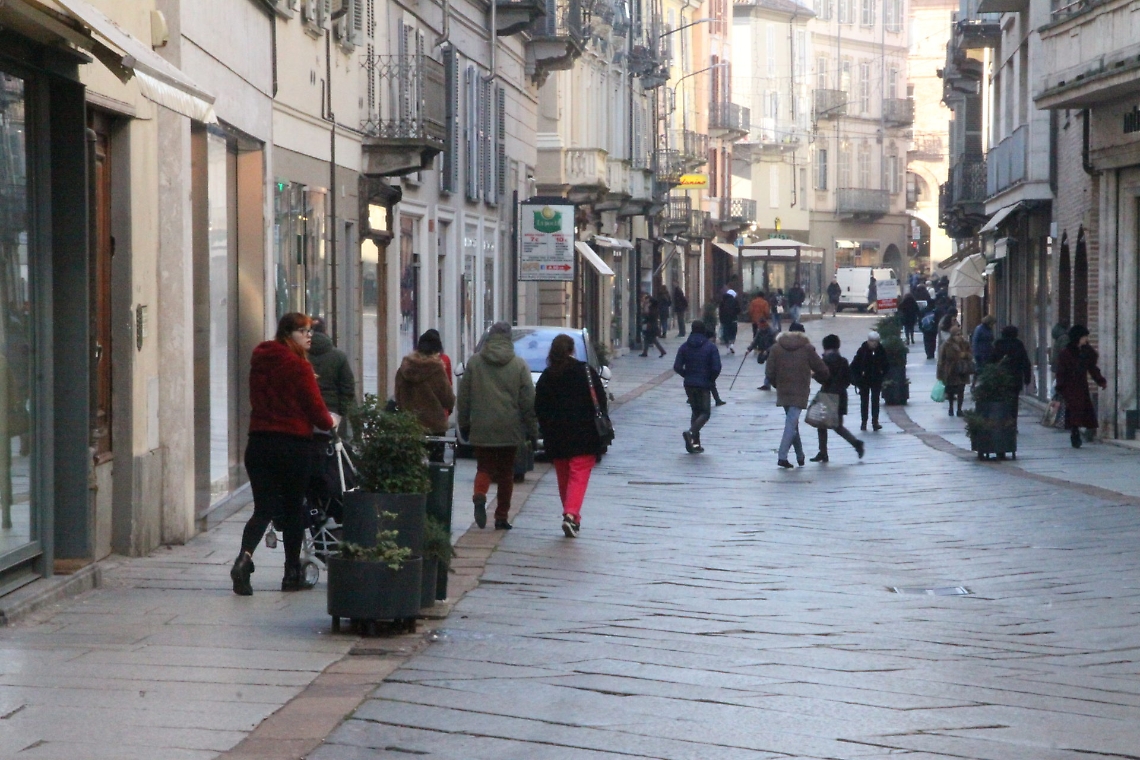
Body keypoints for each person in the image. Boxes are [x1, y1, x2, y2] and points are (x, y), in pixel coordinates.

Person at [230, 313, 335, 596]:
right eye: (303, 331)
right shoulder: (299, 366)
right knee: (292, 510)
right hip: (292, 446)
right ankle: (291, 573)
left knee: (263, 509)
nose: (309, 335)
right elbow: (316, 408)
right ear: (288, 334)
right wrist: (330, 422)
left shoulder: (260, 361)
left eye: (310, 330)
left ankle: (243, 560)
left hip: (259, 443)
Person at [457, 322, 539, 530]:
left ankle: (479, 494)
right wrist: (532, 430)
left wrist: (464, 424)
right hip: (510, 428)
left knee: (484, 467)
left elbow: (464, 398)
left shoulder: (474, 363)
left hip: (482, 426)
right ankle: (501, 517)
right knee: (506, 473)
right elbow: (528, 402)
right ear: (509, 339)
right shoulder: (519, 365)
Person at [534, 335, 608, 537]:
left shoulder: (547, 376)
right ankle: (570, 513)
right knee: (578, 475)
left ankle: (573, 518)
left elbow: (539, 408)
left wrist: (547, 429)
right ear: (572, 350)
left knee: (564, 478)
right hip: (584, 434)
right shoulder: (585, 371)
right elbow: (600, 400)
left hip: (557, 437)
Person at [765, 323, 828, 469]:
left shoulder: (776, 348)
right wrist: (819, 377)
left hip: (783, 390)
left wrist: (777, 384)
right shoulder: (807, 349)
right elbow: (822, 369)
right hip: (800, 390)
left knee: (792, 422)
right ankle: (782, 456)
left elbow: (769, 372)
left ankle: (800, 455)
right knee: (791, 423)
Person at [812, 334, 865, 462]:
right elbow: (849, 379)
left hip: (827, 395)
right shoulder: (843, 361)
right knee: (837, 426)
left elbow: (823, 378)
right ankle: (855, 443)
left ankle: (824, 452)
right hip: (841, 395)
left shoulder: (824, 362)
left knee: (822, 425)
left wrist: (814, 375)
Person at [395, 332, 456, 437]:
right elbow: (448, 400)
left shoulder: (404, 369)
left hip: (409, 426)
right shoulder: (437, 370)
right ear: (436, 352)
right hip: (434, 428)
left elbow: (398, 397)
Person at [673, 320, 722, 453]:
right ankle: (691, 433)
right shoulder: (710, 347)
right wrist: (710, 379)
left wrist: (687, 375)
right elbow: (716, 367)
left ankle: (695, 444)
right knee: (705, 413)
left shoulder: (684, 346)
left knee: (695, 412)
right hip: (703, 384)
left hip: (689, 383)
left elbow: (677, 366)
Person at [1056, 325, 1107, 448]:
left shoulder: (1086, 351)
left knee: (1081, 410)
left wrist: (1100, 381)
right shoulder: (1066, 353)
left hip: (1081, 385)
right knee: (1074, 410)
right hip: (1069, 386)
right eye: (1084, 337)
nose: (1086, 339)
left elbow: (1092, 368)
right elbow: (1061, 372)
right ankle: (1075, 432)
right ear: (1078, 337)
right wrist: (1060, 387)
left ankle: (1078, 431)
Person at [308, 316, 356, 422]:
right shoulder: (339, 356)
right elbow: (348, 387)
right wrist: (342, 411)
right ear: (325, 331)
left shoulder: (298, 355)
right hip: (332, 408)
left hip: (306, 408)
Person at [851, 330, 889, 431]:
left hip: (876, 379)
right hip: (864, 380)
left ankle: (875, 421)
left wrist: (882, 374)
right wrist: (856, 379)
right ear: (868, 341)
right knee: (864, 401)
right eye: (871, 341)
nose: (873, 343)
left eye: (875, 341)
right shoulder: (862, 350)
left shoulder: (881, 350)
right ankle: (864, 422)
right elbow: (854, 365)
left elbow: (886, 364)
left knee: (875, 400)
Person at [937, 325, 974, 417]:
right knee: (951, 391)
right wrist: (940, 373)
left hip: (962, 370)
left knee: (961, 390)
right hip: (951, 370)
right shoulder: (947, 344)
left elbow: (970, 354)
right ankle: (951, 408)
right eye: (957, 334)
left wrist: (965, 355)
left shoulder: (965, 343)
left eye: (960, 334)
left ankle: (959, 409)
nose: (960, 336)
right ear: (952, 335)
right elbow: (942, 359)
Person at [991, 325, 1033, 397]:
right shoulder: (1018, 344)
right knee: (1014, 397)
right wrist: (1027, 378)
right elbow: (1025, 361)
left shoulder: (998, 343)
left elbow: (992, 359)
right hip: (1015, 375)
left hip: (1001, 375)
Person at [639, 293, 667, 357]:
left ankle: (662, 351)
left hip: (651, 326)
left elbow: (648, 315)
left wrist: (645, 307)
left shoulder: (652, 309)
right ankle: (645, 352)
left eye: (648, 302)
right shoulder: (654, 308)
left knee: (653, 339)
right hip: (651, 326)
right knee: (647, 339)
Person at [718, 288, 741, 354]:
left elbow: (720, 311)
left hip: (724, 321)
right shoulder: (735, 301)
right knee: (733, 333)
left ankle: (728, 346)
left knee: (726, 334)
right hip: (733, 320)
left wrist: (721, 320)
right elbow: (738, 310)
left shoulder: (722, 301)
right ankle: (731, 345)